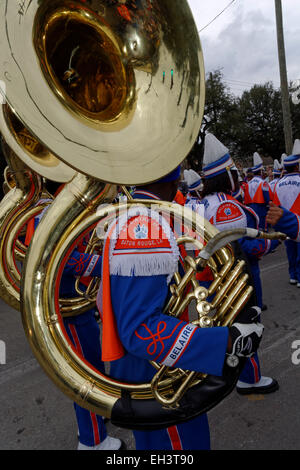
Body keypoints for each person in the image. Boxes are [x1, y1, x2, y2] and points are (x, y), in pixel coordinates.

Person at [96, 165, 264, 450]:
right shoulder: (145, 224)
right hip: (158, 377)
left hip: (152, 371)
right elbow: (140, 330)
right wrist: (227, 340)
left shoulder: (142, 213)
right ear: (177, 175)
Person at [25, 181, 124, 451]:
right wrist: (103, 264)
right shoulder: (52, 212)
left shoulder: (59, 210)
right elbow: (63, 260)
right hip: (68, 307)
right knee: (85, 375)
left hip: (79, 305)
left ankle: (95, 417)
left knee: (91, 366)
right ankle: (92, 441)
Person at [199, 133, 279, 395]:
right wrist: (275, 240)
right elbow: (242, 247)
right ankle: (249, 378)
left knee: (225, 326)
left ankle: (230, 369)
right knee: (246, 324)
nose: (238, 175)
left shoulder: (203, 203)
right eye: (234, 171)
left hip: (213, 278)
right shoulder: (225, 207)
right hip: (235, 278)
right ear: (226, 175)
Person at [272, 141, 300, 287]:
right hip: (298, 221)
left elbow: (276, 206)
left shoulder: (278, 183)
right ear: (296, 166)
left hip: (285, 223)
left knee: (290, 252)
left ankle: (292, 276)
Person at [243, 152, 272, 231]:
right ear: (260, 171)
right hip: (261, 208)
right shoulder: (263, 183)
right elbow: (267, 198)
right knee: (263, 230)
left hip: (251, 208)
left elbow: (246, 198)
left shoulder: (248, 183)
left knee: (255, 229)